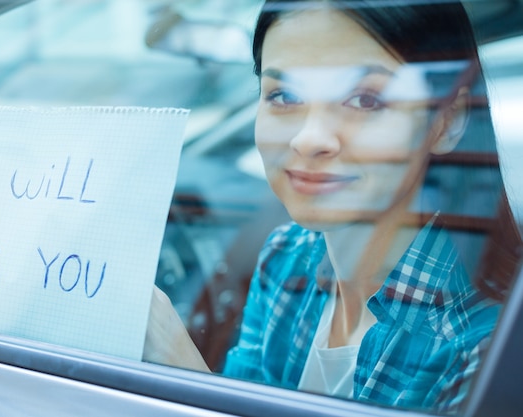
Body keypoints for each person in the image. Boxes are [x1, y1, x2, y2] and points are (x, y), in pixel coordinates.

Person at [144, 0, 522, 414]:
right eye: (283, 95)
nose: (309, 139)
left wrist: (183, 372)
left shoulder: (487, 346)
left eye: (364, 100)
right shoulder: (286, 255)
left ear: (447, 121)